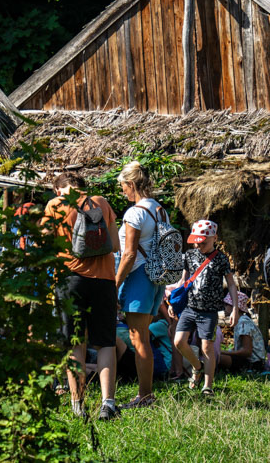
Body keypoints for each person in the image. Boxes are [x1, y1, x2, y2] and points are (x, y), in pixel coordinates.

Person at [41, 173, 121, 421]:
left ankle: (78, 406)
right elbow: (116, 245)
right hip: (104, 281)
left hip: (70, 280)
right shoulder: (102, 203)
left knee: (76, 343)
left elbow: (44, 243)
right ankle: (108, 404)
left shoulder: (56, 205)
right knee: (106, 342)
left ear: (59, 189)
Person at [114, 161, 165, 409]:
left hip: (138, 277)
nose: (122, 191)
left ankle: (144, 396)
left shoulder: (135, 213)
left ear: (131, 184)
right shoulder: (159, 209)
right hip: (157, 278)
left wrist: (115, 283)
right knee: (142, 335)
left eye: (123, 186)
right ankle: (146, 393)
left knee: (138, 338)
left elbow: (129, 254)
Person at [172, 220, 239, 396]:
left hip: (208, 310)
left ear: (215, 238)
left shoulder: (221, 259)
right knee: (179, 341)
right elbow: (184, 280)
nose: (198, 245)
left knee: (207, 347)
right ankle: (197, 366)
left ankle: (207, 386)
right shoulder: (189, 255)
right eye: (196, 241)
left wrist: (235, 308)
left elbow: (231, 284)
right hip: (189, 307)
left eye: (203, 242)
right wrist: (174, 301)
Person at [218, 292, 267, 374]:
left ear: (235, 307)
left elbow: (246, 352)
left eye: (227, 304)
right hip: (247, 361)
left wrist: (222, 352)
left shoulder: (243, 323)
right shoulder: (239, 322)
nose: (224, 307)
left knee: (218, 358)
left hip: (253, 364)